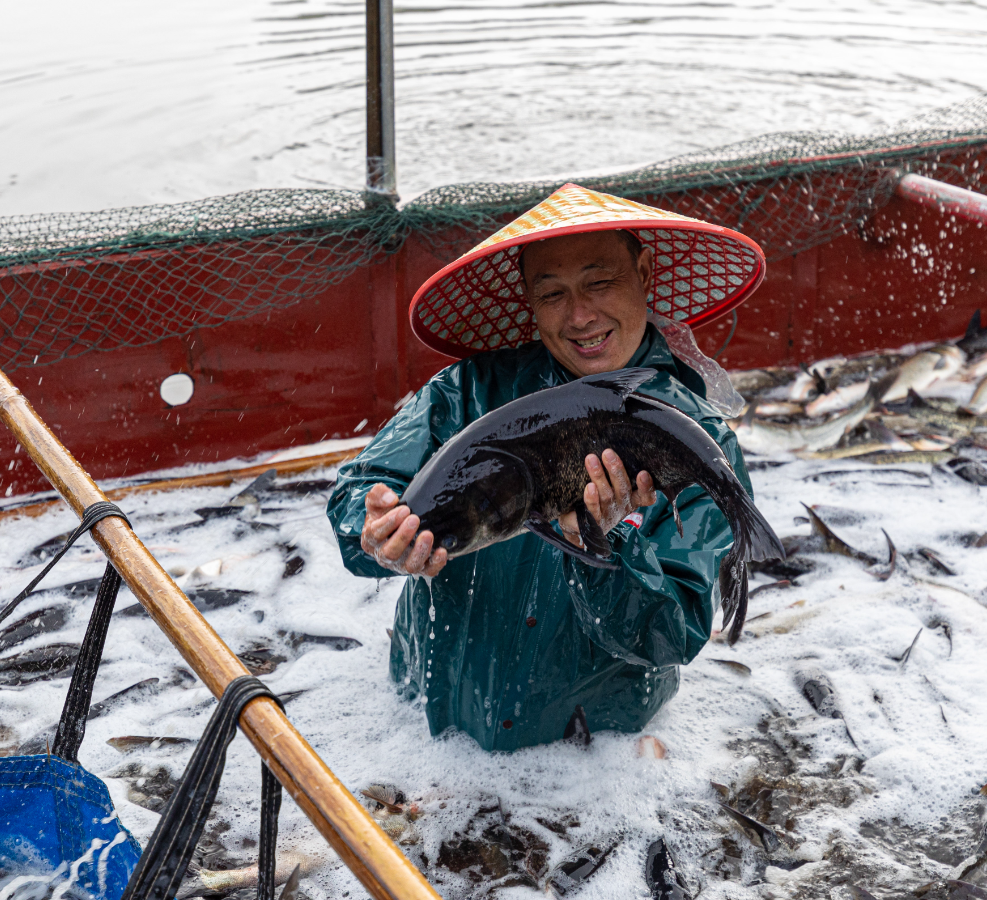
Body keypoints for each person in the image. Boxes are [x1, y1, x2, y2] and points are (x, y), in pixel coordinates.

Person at [326, 183, 767, 751]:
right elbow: (358, 492)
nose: (580, 316)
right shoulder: (466, 392)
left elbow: (670, 637)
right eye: (552, 293)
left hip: (593, 762)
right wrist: (374, 533)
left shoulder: (700, 443)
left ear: (645, 272)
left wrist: (608, 549)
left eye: (600, 282)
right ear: (529, 301)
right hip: (426, 733)